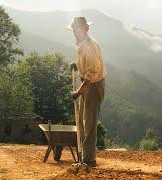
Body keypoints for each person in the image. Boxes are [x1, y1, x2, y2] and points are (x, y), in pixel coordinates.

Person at [67, 17, 106, 167]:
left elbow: (93, 71)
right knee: (84, 122)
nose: (74, 33)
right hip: (88, 85)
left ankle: (89, 160)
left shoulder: (90, 45)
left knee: (89, 124)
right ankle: (85, 156)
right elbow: (87, 62)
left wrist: (78, 91)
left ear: (85, 29)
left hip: (93, 86)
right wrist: (76, 64)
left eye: (77, 30)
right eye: (74, 30)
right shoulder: (83, 43)